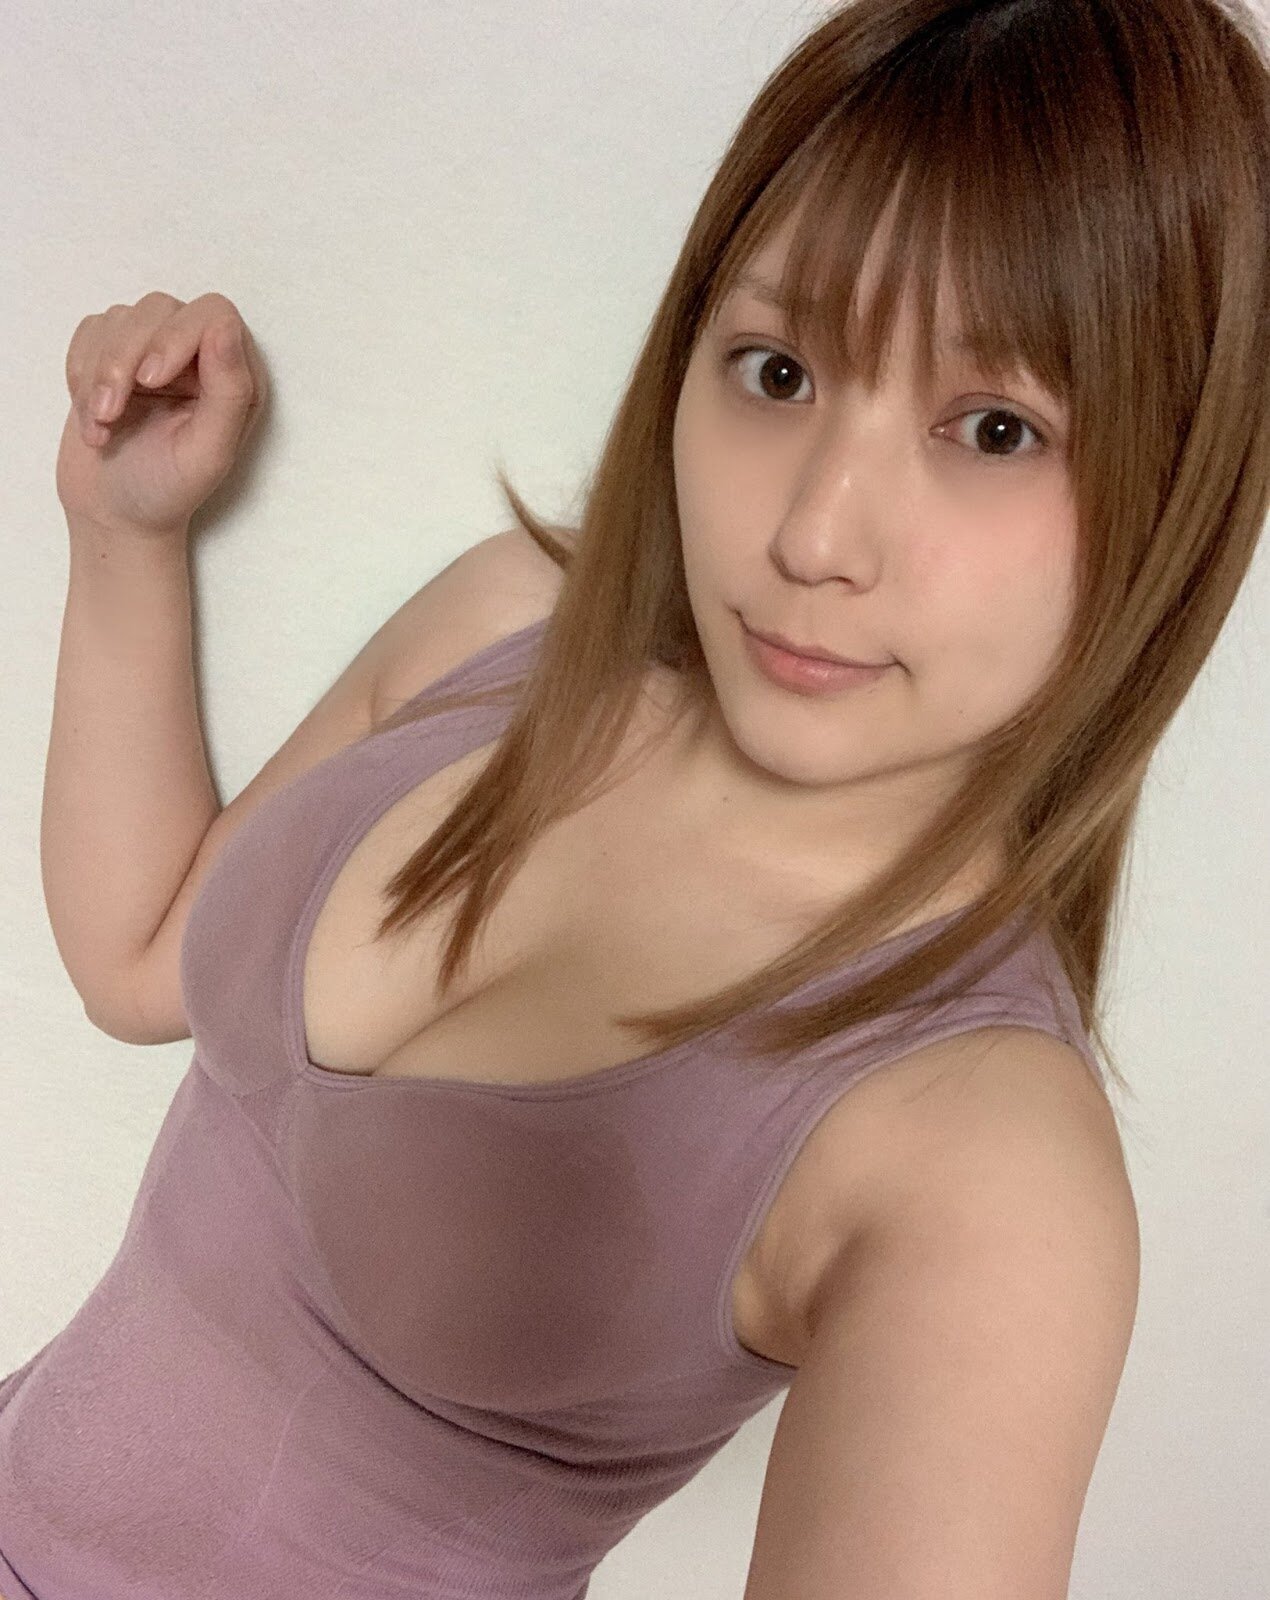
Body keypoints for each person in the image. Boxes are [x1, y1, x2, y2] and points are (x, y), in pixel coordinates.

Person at [4, 0, 1267, 1594]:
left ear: (1170, 491)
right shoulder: (507, 628)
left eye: (994, 428)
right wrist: (123, 536)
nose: (813, 533)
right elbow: (137, 962)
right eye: (777, 369)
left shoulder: (981, 1163)